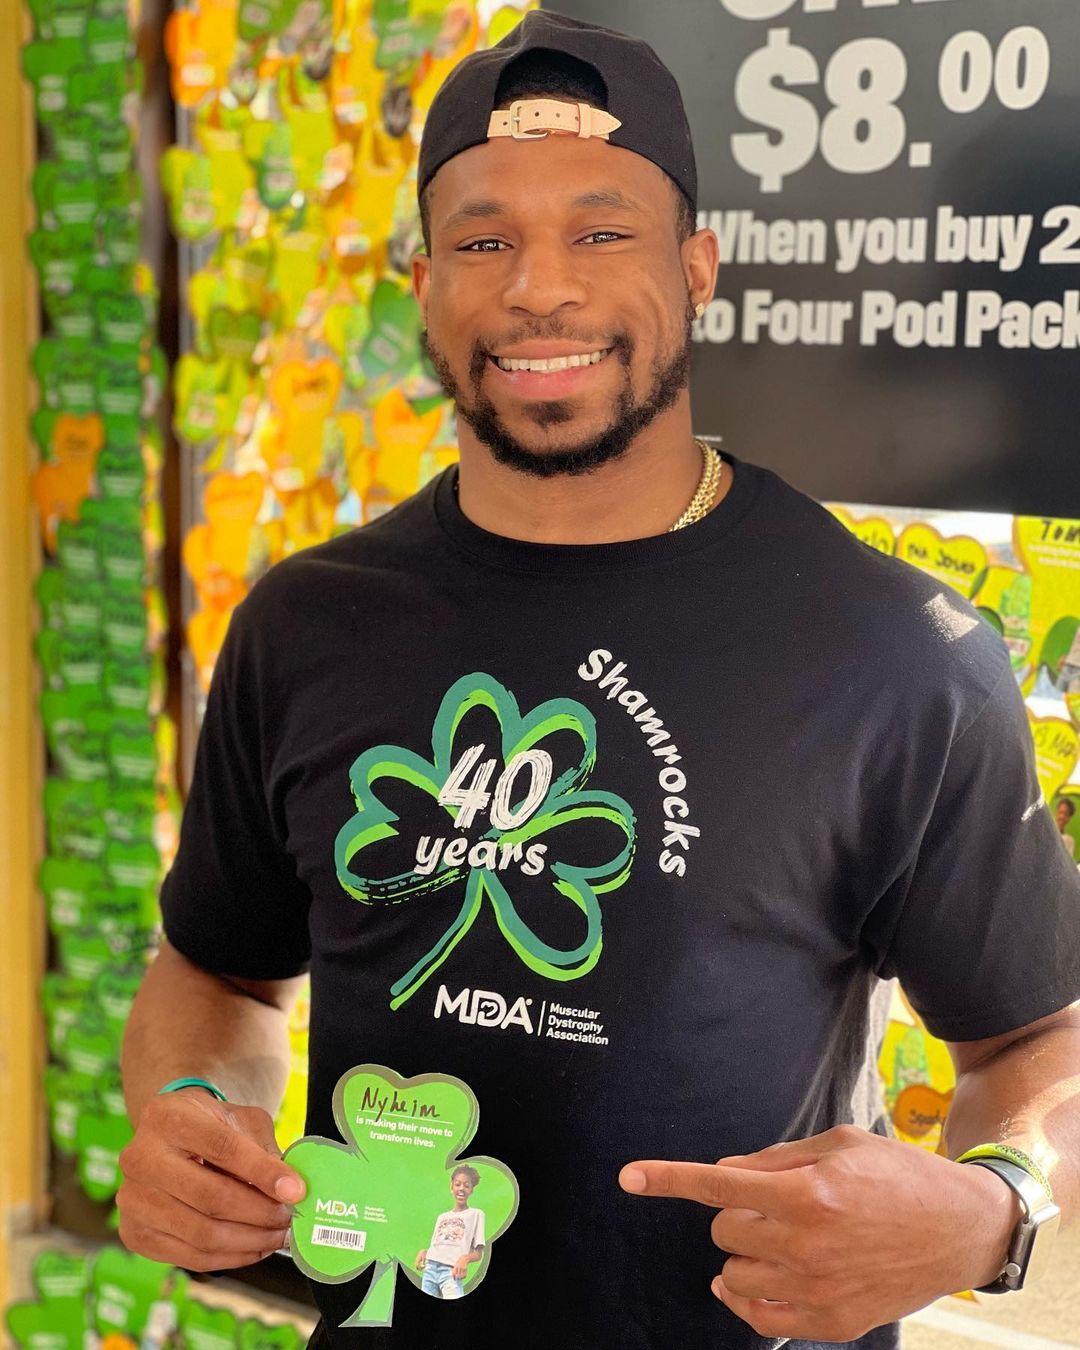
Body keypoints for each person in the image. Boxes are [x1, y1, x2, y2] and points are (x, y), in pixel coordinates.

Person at [117, 11, 1080, 1350]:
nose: (539, 289)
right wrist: (189, 1106)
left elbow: (1038, 1041)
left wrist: (996, 1205)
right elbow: (216, 974)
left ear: (698, 269)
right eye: (484, 240)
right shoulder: (306, 622)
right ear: (425, 285)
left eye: (602, 231)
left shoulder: (898, 652)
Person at [416, 1166, 486, 1300]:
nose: (461, 1188)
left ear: (472, 1190)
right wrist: (425, 1252)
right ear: (451, 1186)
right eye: (457, 1184)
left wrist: (465, 1259)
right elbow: (438, 1245)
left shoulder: (476, 1214)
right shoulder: (442, 1217)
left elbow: (478, 1254)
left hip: (451, 1271)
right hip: (430, 1269)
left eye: (466, 1185)